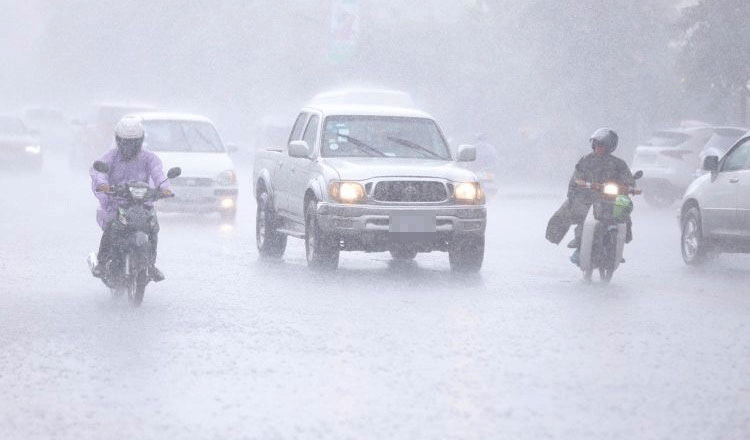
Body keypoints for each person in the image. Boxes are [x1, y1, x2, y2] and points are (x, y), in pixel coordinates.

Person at [90, 115, 172, 281]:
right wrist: (104, 185)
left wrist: (165, 189)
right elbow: (99, 172)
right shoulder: (110, 157)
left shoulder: (150, 158)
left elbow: (158, 174)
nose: (129, 146)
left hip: (143, 204)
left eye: (134, 142)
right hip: (118, 204)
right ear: (118, 140)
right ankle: (102, 261)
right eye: (126, 142)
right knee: (112, 228)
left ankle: (151, 265)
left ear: (140, 140)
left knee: (153, 228)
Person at [545, 128, 635, 253]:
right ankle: (572, 238)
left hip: (610, 198)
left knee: (624, 211)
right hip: (587, 197)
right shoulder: (586, 160)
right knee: (568, 210)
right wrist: (574, 191)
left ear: (609, 147)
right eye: (596, 144)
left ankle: (622, 240)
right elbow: (575, 178)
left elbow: (629, 181)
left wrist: (630, 188)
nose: (598, 147)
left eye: (601, 145)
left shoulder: (618, 164)